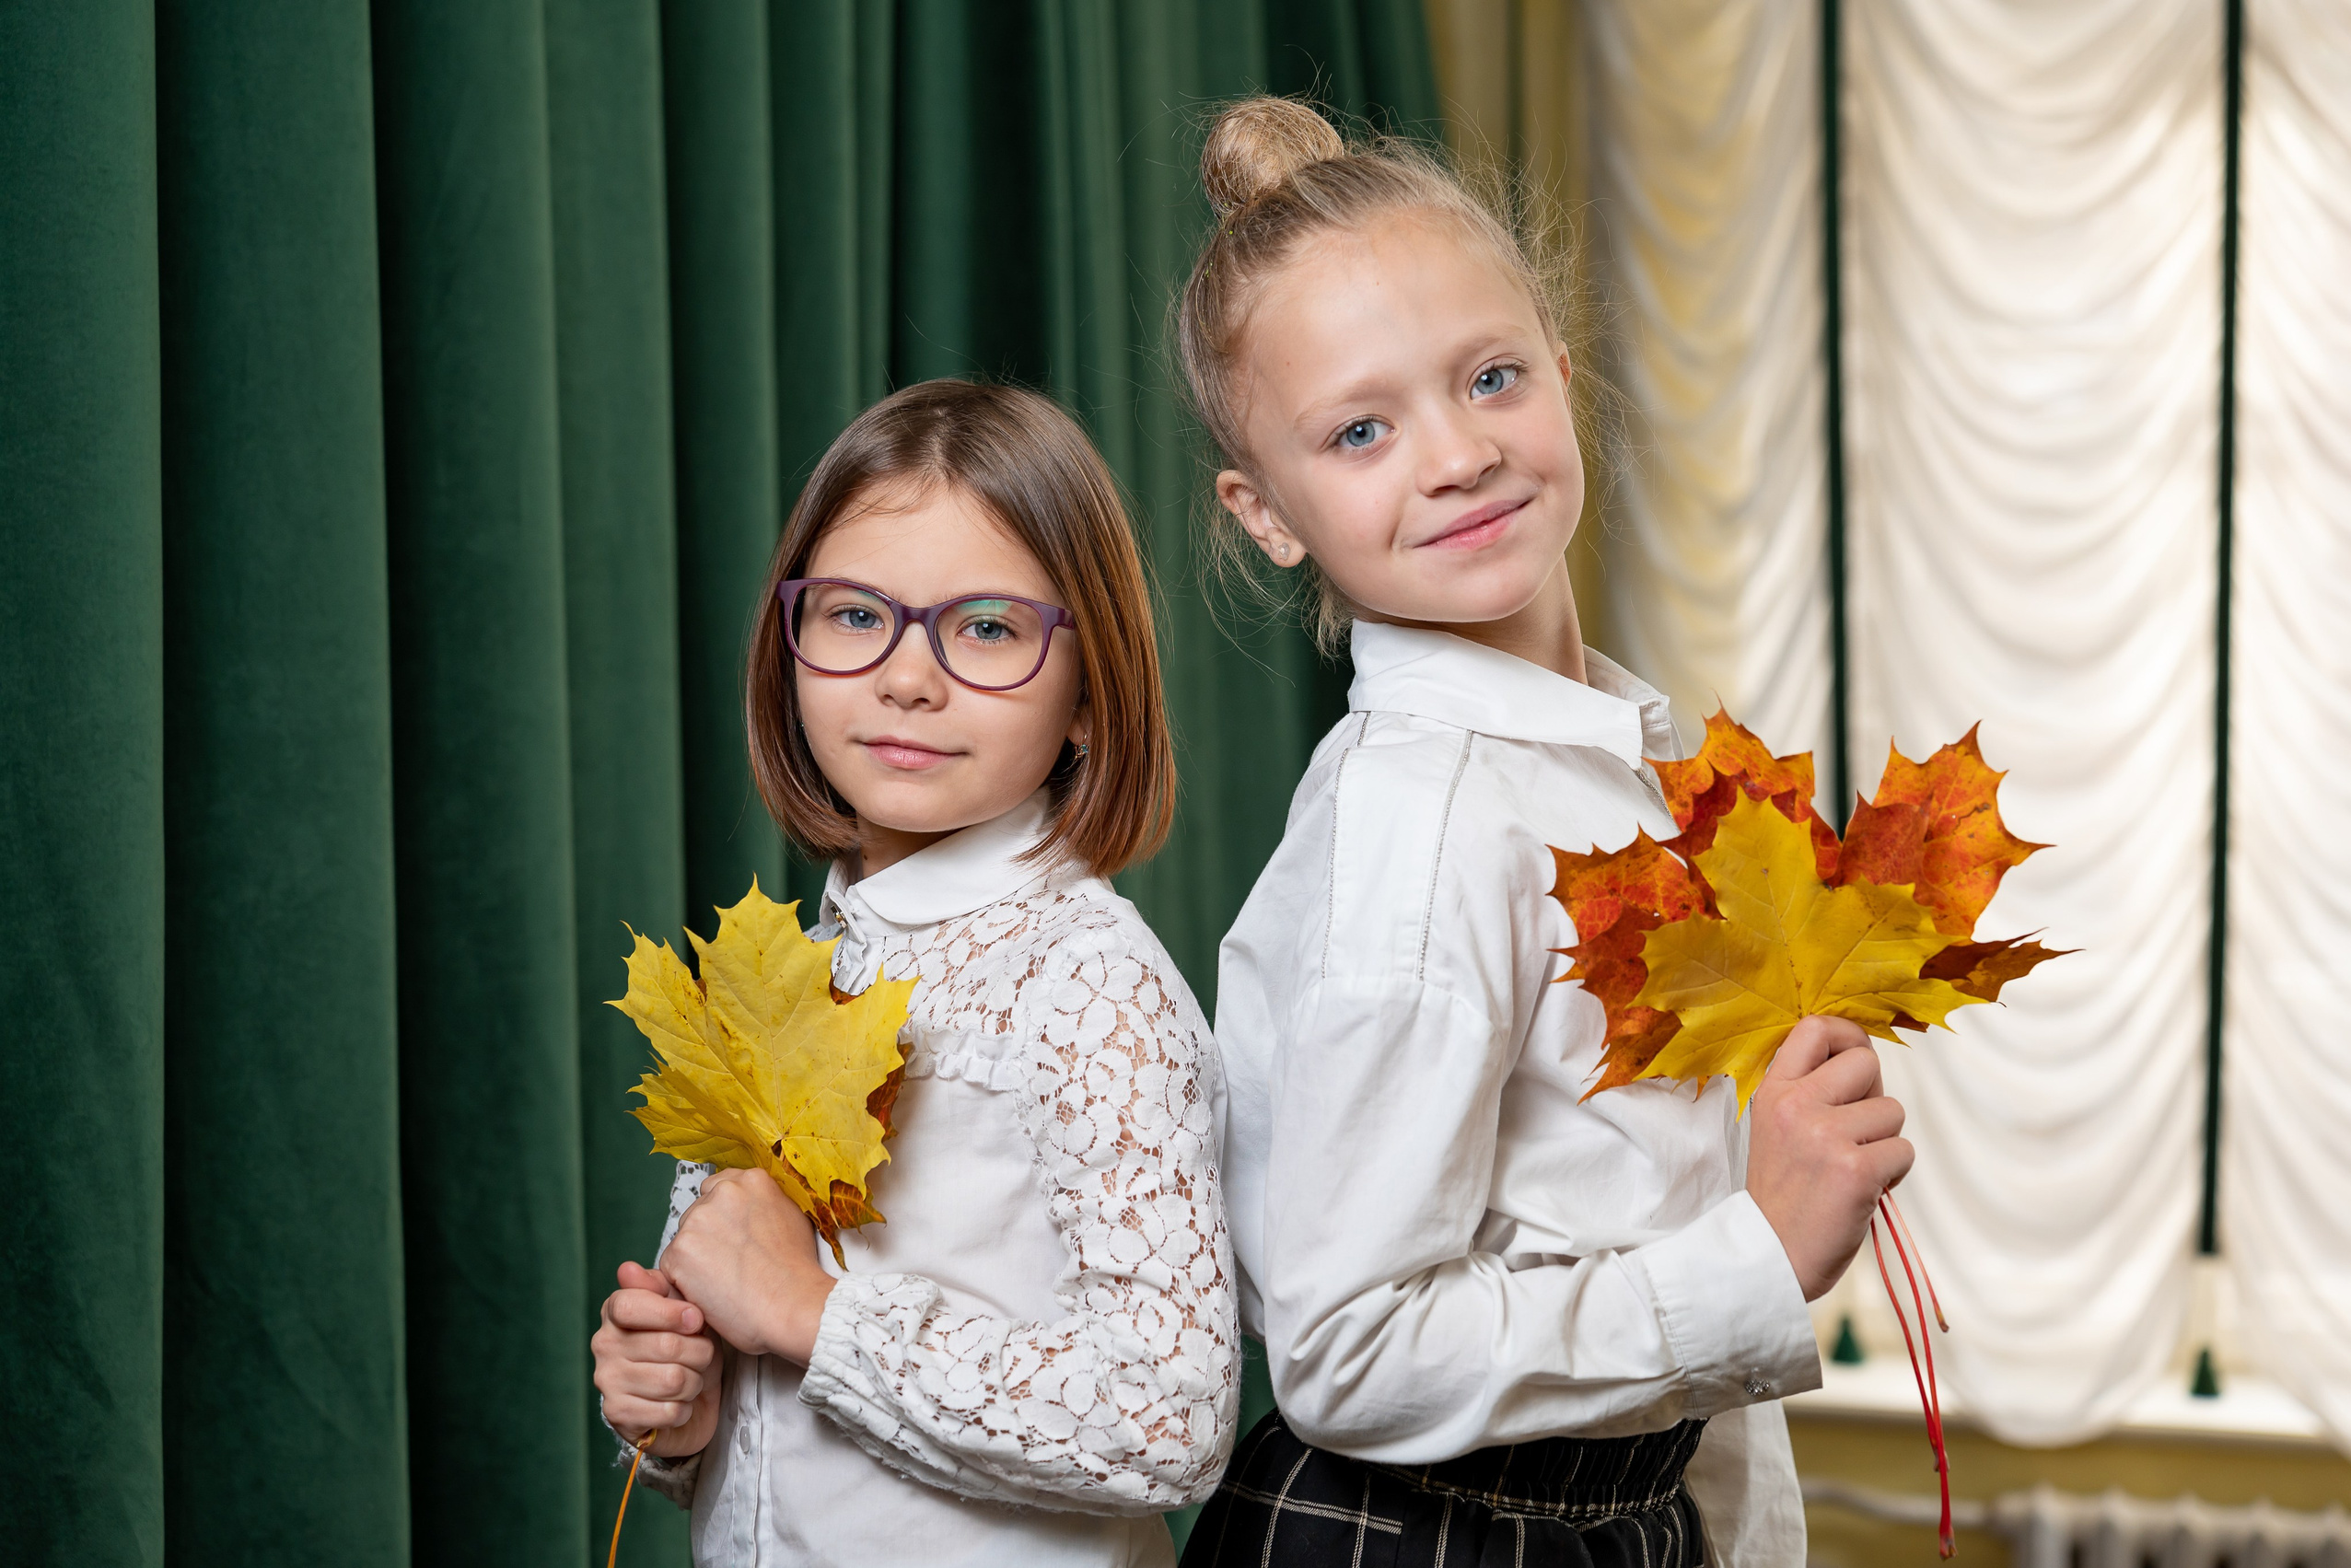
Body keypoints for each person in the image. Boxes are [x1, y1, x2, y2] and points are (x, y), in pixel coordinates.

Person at [1171, 99, 1912, 1568]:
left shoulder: (1626, 774)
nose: (1454, 455)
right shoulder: (1419, 823)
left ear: (1564, 377)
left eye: (1491, 377)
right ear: (1266, 513)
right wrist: (1756, 1254)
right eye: (1362, 429)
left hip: (1610, 1519)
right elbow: (1347, 1350)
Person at [590, 379, 1240, 1568]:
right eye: (852, 616)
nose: (906, 677)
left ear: (1090, 693)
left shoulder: (1089, 985)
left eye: (986, 628)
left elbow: (1170, 1419)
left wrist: (812, 1316)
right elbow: (736, 1384)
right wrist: (674, 1411)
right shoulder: (794, 969)